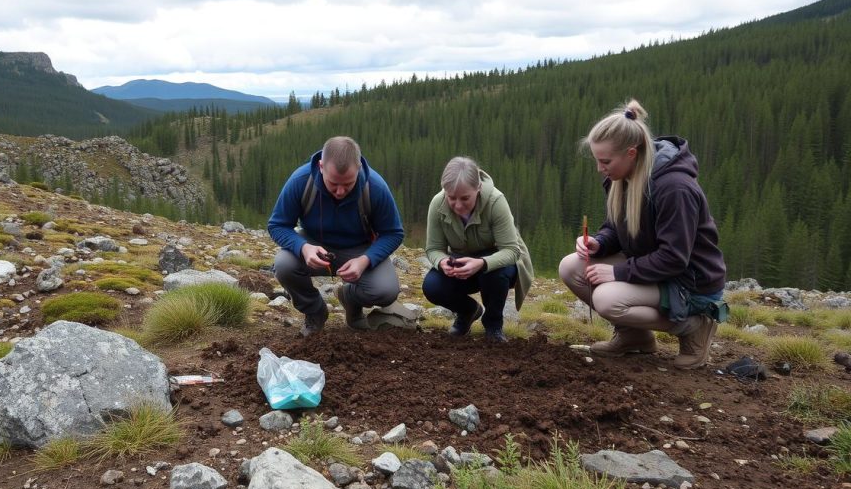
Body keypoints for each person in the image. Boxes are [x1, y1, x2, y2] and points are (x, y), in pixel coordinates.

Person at [559, 100, 727, 369]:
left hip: (691, 283)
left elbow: (674, 258)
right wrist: (599, 243)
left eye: (605, 161)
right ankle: (634, 336)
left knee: (606, 299)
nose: (600, 168)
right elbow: (617, 228)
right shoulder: (623, 177)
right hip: (655, 269)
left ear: (631, 153)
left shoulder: (674, 188)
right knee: (571, 267)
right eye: (597, 160)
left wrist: (617, 273)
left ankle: (694, 326)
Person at [268, 136, 405, 337]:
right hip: (314, 245)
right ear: (321, 166)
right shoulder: (301, 181)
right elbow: (277, 225)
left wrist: (365, 260)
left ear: (358, 168)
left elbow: (393, 233)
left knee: (385, 291)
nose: (340, 191)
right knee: (283, 265)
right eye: (333, 183)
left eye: (348, 184)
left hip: (360, 248)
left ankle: (350, 297)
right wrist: (303, 248)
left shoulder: (374, 187)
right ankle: (315, 312)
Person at [423, 157, 534, 342]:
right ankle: (467, 311)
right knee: (432, 286)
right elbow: (434, 248)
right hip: (461, 261)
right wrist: (442, 262)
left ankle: (493, 326)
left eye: (465, 198)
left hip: (499, 262)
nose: (458, 205)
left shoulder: (496, 201)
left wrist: (482, 263)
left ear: (478, 188)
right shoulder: (437, 203)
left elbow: (512, 251)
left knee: (494, 274)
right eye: (451, 198)